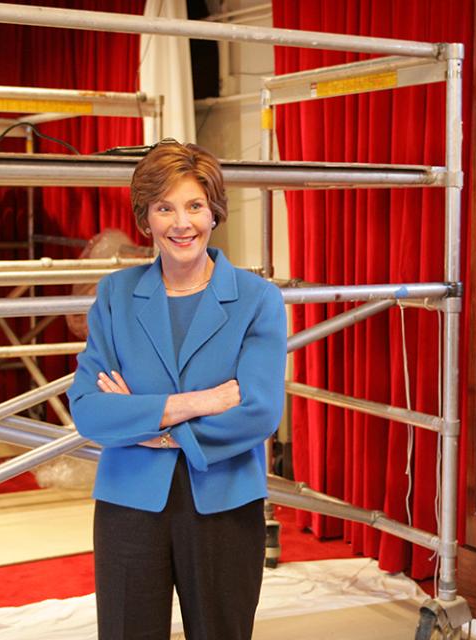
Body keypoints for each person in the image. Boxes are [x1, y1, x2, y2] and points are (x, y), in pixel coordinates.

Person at [67, 140, 287, 640]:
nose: (180, 223)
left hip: (224, 503)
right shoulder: (116, 295)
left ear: (214, 213)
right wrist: (196, 403)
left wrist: (146, 422)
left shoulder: (257, 300)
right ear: (146, 218)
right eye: (164, 208)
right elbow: (89, 409)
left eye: (193, 206)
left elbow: (258, 411)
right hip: (129, 503)